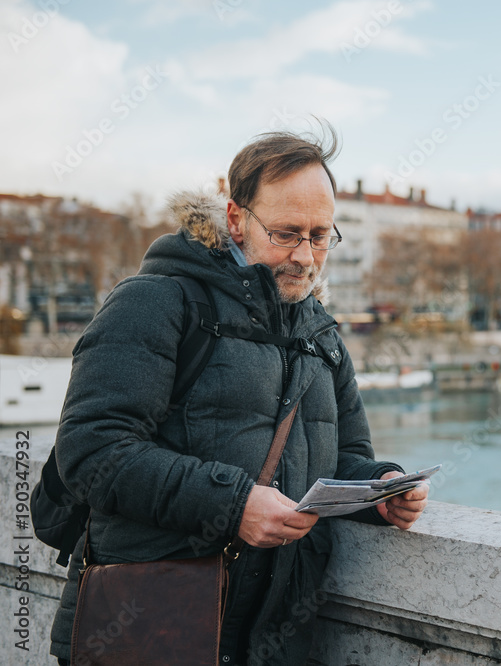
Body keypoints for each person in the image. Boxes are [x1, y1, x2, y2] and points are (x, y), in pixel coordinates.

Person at [49, 123, 427, 665]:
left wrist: (382, 488)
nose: (305, 256)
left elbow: (344, 458)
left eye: (320, 236)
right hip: (150, 630)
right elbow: (92, 452)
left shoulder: (321, 332)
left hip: (273, 637)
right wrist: (235, 506)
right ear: (235, 219)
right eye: (287, 233)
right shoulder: (153, 303)